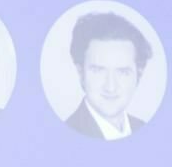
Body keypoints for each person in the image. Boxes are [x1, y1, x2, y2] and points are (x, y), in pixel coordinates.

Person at [64, 11, 151, 139]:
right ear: (81, 73)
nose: (110, 87)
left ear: (138, 75)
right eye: (98, 71)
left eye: (123, 72)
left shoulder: (142, 127)